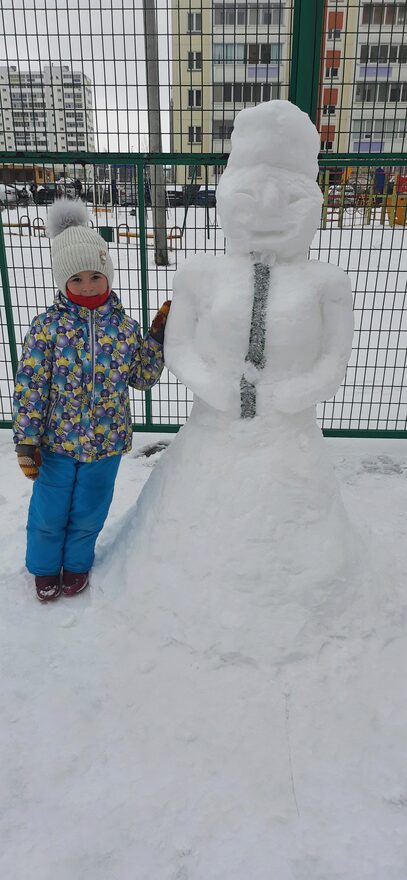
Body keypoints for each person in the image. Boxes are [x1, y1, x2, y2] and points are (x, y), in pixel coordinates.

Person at [13, 199, 171, 603]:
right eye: (77, 278)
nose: (87, 286)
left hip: (106, 445)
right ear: (62, 281)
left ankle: (78, 565)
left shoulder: (123, 328)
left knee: (89, 513)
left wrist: (156, 338)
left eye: (96, 276)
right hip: (56, 445)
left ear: (109, 276)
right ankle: (46, 568)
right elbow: (31, 386)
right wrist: (27, 440)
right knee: (49, 514)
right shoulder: (47, 328)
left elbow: (142, 378)